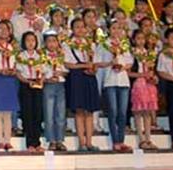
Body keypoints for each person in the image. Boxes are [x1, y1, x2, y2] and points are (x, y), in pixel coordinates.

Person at [64, 17, 100, 151]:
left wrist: (93, 68)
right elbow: (67, 64)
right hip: (76, 77)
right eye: (77, 27)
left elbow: (95, 63)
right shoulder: (67, 44)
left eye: (82, 27)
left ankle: (89, 142)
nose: (80, 29)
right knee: (79, 111)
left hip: (89, 77)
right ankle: (82, 142)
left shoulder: (90, 44)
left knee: (89, 111)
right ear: (72, 29)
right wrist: (84, 66)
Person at [97, 20, 133, 152]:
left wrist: (123, 67)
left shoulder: (124, 45)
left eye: (119, 28)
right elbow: (97, 62)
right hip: (109, 81)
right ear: (108, 30)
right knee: (113, 111)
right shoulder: (103, 45)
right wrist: (110, 63)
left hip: (123, 81)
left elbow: (130, 61)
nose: (116, 31)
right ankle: (115, 141)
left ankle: (121, 140)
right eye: (113, 28)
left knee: (122, 112)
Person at [0, 20, 19, 152]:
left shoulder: (12, 47)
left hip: (10, 80)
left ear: (10, 31)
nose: (3, 31)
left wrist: (13, 70)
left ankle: (8, 141)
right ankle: (0, 141)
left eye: (6, 29)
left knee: (8, 112)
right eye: (0, 29)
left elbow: (17, 63)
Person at [129, 30, 159, 150]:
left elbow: (152, 69)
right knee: (138, 111)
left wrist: (153, 77)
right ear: (133, 40)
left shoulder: (149, 53)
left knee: (148, 112)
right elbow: (128, 73)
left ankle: (148, 138)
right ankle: (141, 139)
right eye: (138, 38)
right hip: (138, 83)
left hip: (149, 84)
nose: (141, 41)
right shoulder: (131, 53)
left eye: (143, 38)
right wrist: (142, 75)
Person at [16, 31, 45, 153]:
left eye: (33, 40)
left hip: (38, 85)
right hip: (25, 85)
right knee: (27, 114)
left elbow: (44, 71)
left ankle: (37, 143)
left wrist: (41, 80)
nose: (30, 43)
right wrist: (27, 81)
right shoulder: (21, 56)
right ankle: (30, 144)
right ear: (24, 42)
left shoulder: (40, 56)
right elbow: (18, 72)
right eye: (28, 40)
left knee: (38, 114)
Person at [41, 32, 68, 151]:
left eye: (54, 41)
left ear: (58, 43)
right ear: (45, 43)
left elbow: (66, 70)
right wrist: (47, 78)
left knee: (60, 114)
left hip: (60, 84)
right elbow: (39, 71)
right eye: (49, 41)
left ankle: (60, 140)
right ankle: (51, 140)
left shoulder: (61, 55)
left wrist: (61, 73)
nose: (52, 44)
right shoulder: (42, 56)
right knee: (49, 114)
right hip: (48, 85)